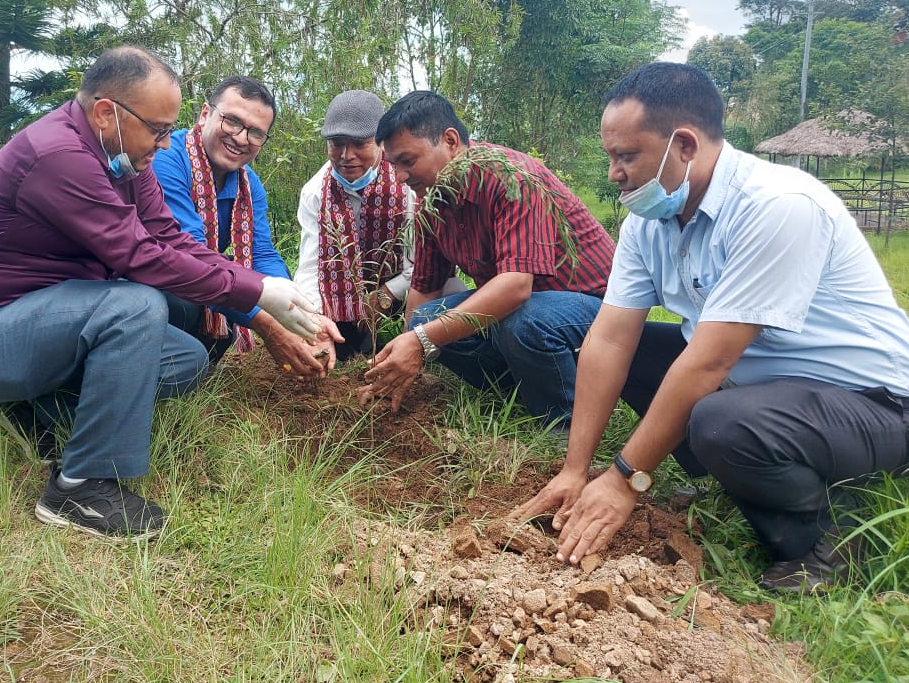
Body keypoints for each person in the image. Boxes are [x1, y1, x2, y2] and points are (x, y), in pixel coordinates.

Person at [517, 62, 909, 593]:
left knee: (720, 421)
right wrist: (576, 469)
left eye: (626, 156)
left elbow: (710, 362)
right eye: (612, 156)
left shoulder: (776, 206)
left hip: (873, 403)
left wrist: (625, 479)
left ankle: (832, 545)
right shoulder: (646, 224)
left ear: (684, 144)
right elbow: (610, 339)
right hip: (772, 392)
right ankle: (747, 474)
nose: (613, 173)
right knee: (645, 361)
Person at [0, 46, 322, 539]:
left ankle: (30, 409)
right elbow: (142, 258)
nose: (167, 143)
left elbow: (170, 238)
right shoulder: (59, 155)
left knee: (185, 360)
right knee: (136, 306)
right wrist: (255, 292)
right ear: (108, 112)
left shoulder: (126, 160)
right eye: (158, 129)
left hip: (37, 323)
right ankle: (80, 488)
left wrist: (267, 289)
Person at [359, 91, 615, 423]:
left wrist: (422, 341)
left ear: (450, 141)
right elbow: (424, 288)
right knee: (426, 318)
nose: (400, 177)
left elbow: (515, 288)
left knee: (524, 321)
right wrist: (408, 348)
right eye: (393, 166)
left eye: (408, 161)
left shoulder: (513, 178)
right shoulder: (433, 202)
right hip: (523, 311)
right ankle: (519, 394)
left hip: (595, 308)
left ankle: (563, 421)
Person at [153, 75, 341, 377]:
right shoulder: (167, 162)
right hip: (149, 285)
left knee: (222, 319)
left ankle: (189, 373)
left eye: (255, 132)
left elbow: (262, 254)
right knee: (185, 303)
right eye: (232, 121)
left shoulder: (248, 184)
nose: (241, 138)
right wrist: (268, 324)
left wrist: (304, 317)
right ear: (205, 113)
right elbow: (189, 258)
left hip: (199, 279)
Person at [293, 90, 465, 360]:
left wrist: (384, 295)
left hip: (405, 287)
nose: (346, 156)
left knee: (453, 293)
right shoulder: (316, 192)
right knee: (342, 349)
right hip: (344, 295)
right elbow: (310, 267)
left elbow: (420, 264)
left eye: (359, 144)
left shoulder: (408, 182)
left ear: (380, 143)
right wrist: (313, 320)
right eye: (336, 144)